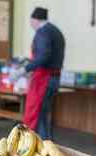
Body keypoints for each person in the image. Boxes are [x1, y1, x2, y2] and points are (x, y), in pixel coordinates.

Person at [14, 7, 66, 140]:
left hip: (45, 78)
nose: (30, 24)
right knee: (44, 113)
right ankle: (46, 144)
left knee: (38, 114)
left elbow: (43, 56)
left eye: (31, 21)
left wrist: (24, 69)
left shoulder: (42, 32)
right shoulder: (56, 31)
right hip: (54, 78)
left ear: (34, 20)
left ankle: (42, 147)